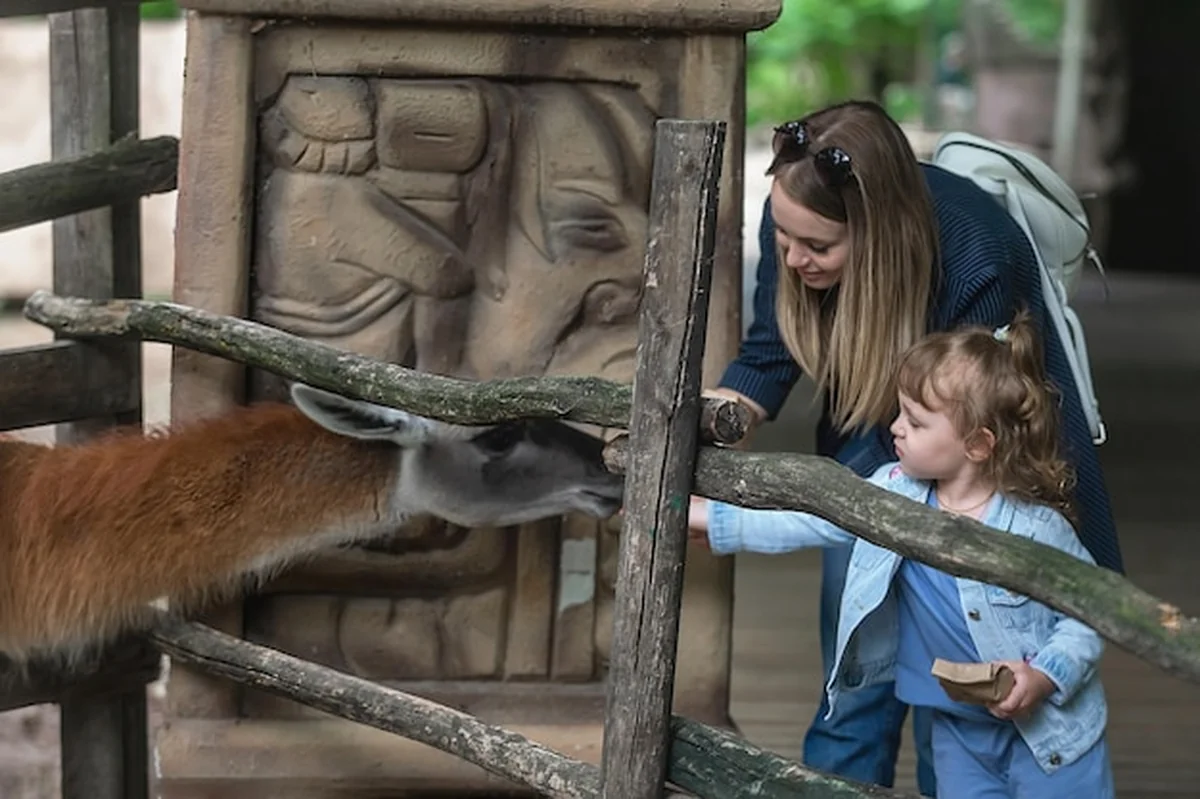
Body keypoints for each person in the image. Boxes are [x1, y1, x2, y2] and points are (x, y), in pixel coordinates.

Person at [708, 99, 1124, 795]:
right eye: (782, 236)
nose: (792, 257)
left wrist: (837, 504)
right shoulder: (795, 214)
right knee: (856, 692)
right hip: (880, 449)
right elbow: (770, 348)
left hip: (978, 474)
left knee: (967, 700)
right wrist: (714, 421)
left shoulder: (974, 250)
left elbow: (958, 429)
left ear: (876, 234)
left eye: (817, 247)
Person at [692, 314, 1116, 798]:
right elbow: (812, 516)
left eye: (915, 422)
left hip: (1054, 735)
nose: (895, 428)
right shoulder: (893, 492)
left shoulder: (1037, 528)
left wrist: (1045, 676)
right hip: (961, 730)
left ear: (977, 444)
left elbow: (1088, 616)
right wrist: (714, 520)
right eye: (900, 413)